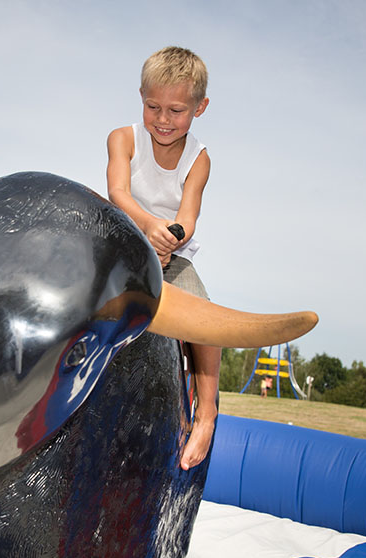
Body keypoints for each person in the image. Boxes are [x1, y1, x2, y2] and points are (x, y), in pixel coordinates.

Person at [106, 46, 218, 471]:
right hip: (121, 243)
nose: (163, 119)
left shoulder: (199, 159)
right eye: (153, 106)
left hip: (168, 253)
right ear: (141, 97)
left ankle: (205, 413)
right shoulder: (123, 138)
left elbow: (188, 219)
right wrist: (148, 225)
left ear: (200, 108)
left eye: (176, 110)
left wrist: (168, 237)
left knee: (206, 315)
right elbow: (118, 192)